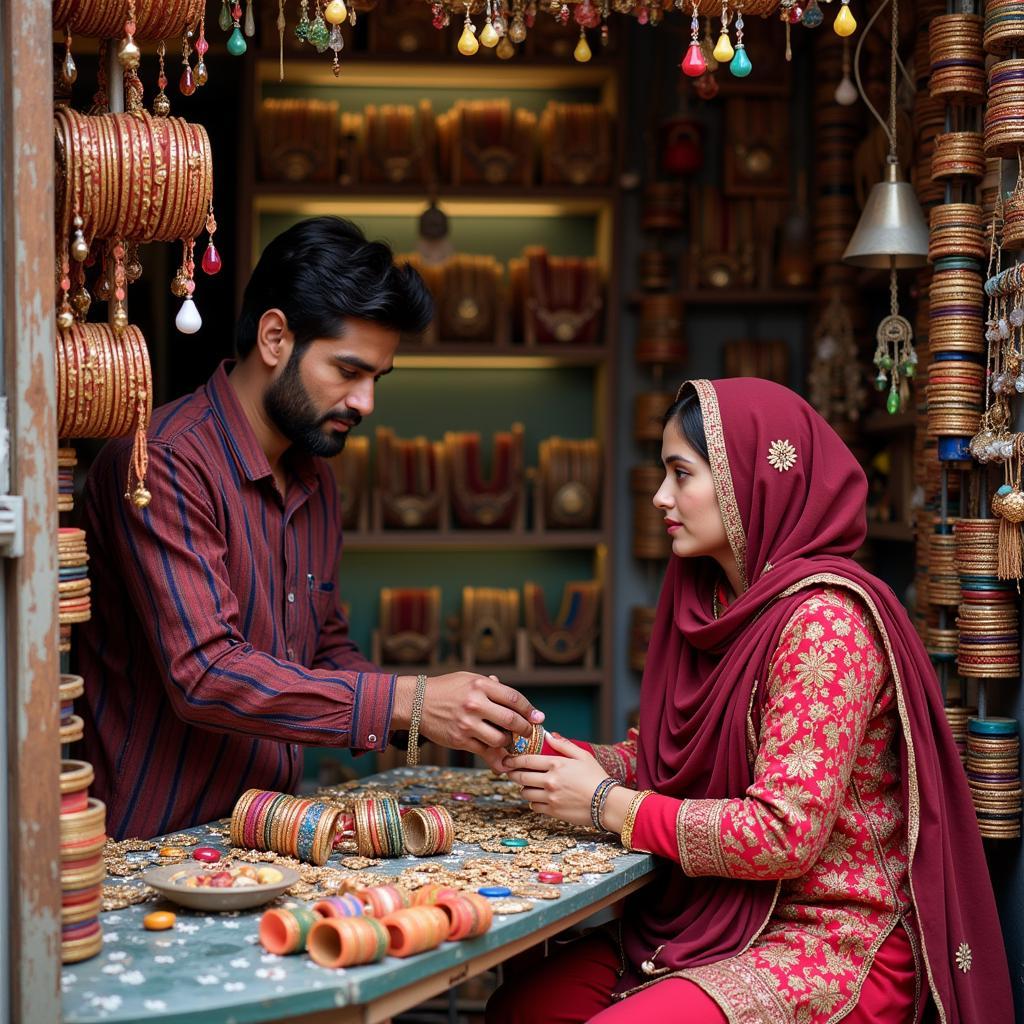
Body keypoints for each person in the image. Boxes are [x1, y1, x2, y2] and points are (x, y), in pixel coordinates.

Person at [486, 378, 1013, 1023]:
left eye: (681, 474)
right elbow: (670, 766)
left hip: (827, 933)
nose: (660, 497)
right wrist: (540, 753)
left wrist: (603, 803)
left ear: (748, 482)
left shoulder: (825, 622)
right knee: (524, 1006)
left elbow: (784, 834)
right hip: (710, 911)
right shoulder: (714, 601)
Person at [76, 216, 543, 840]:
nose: (365, 403)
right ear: (275, 337)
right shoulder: (162, 462)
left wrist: (450, 712)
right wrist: (412, 702)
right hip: (146, 845)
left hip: (265, 834)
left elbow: (323, 652)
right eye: (348, 371)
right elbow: (206, 673)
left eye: (377, 379)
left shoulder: (313, 474)